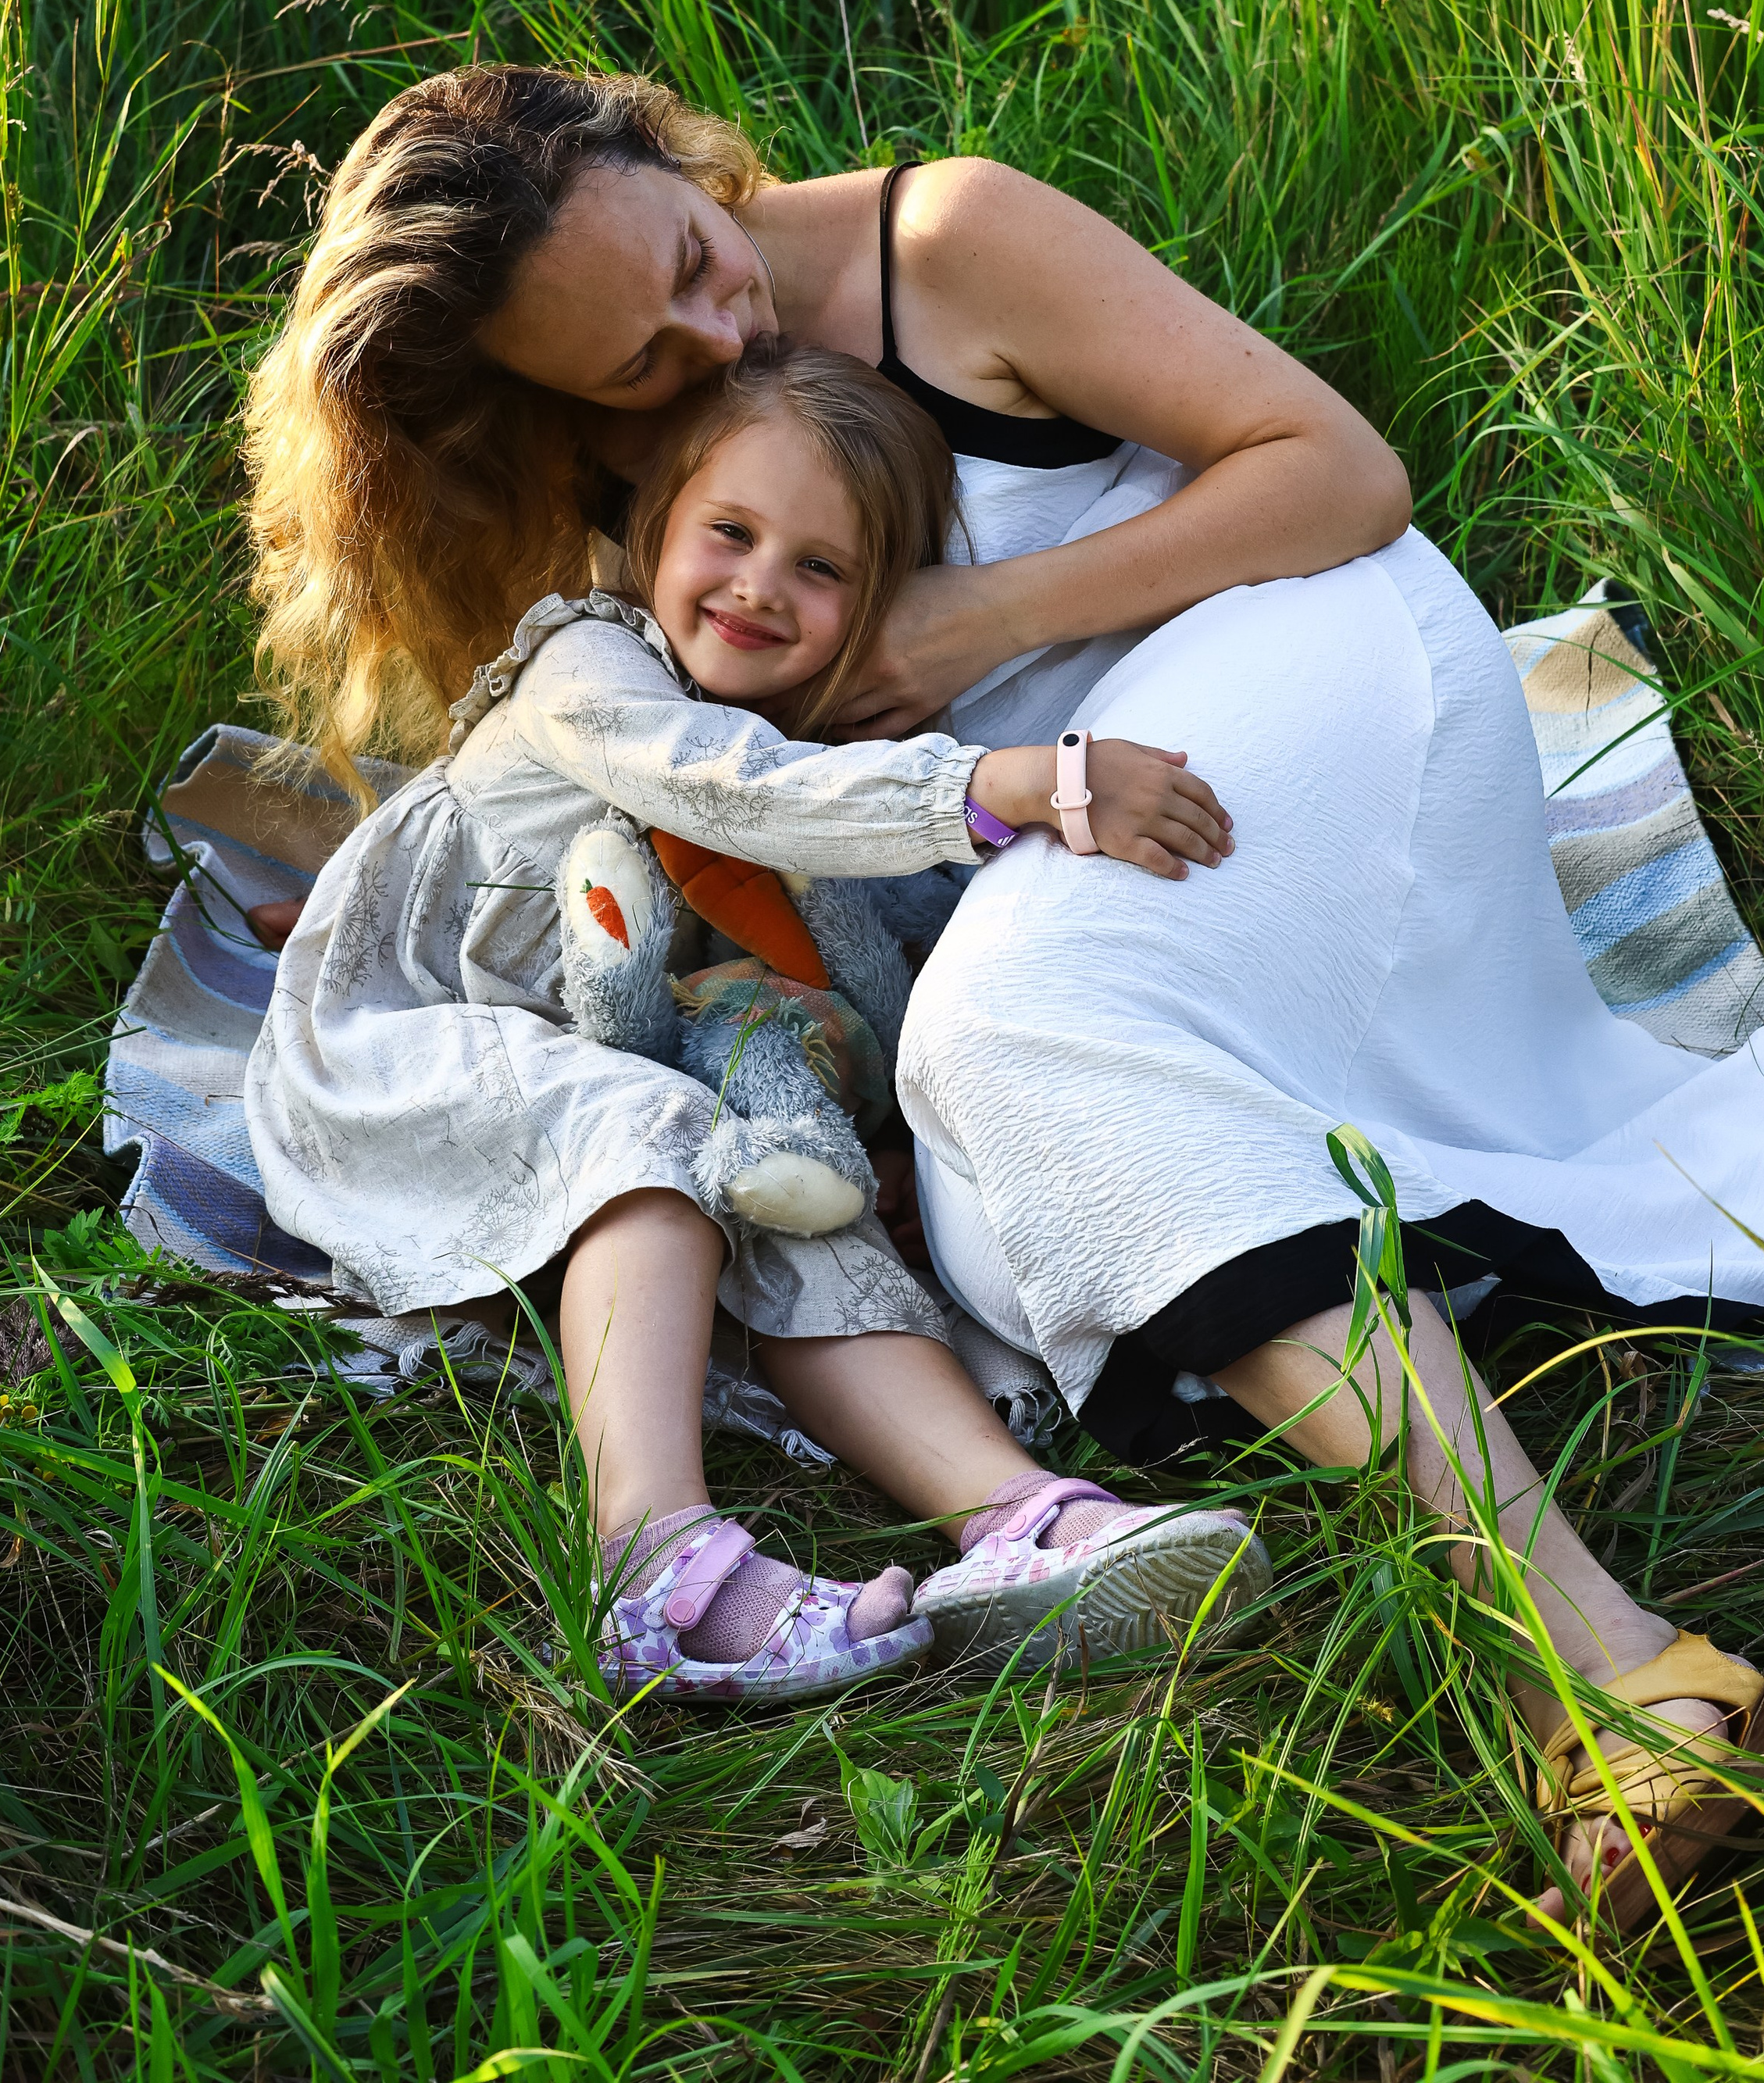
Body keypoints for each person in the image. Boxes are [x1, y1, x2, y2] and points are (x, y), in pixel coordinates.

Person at [245, 61, 1764, 1919]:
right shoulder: (596, 439)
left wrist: (982, 620)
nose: (712, 337)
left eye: (689, 266)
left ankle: (1602, 1663)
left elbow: (1340, 474)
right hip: (1057, 855)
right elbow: (632, 738)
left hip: (1286, 655)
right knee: (1001, 1245)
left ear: (656, 143)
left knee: (1000, 1033)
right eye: (637, 362)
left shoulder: (945, 242)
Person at [248, 341, 1266, 1702]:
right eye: (729, 533)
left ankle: (1017, 1518)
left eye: (821, 567)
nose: (759, 586)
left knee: (790, 1194)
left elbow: (882, 954)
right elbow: (728, 790)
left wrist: (902, 1134)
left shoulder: (824, 757)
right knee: (657, 1130)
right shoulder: (593, 663)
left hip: (621, 1072)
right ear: (656, 526)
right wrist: (1015, 785)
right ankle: (650, 1569)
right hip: (416, 1044)